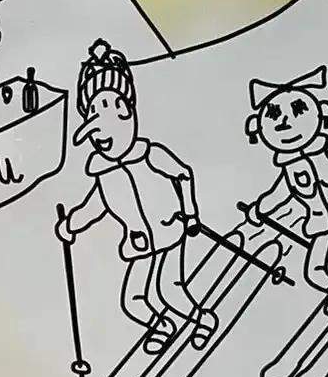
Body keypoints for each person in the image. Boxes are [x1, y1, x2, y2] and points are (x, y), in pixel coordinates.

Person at [55, 40, 217, 355]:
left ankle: (202, 319)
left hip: (170, 231)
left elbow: (183, 174)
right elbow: (94, 207)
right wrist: (70, 225)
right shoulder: (103, 173)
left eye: (117, 112)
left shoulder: (149, 154)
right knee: (133, 300)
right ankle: (163, 325)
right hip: (140, 242)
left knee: (170, 289)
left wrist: (190, 213)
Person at [242, 66, 328, 315]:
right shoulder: (290, 165)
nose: (285, 123)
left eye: (298, 111)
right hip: (320, 222)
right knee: (314, 270)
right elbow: (279, 195)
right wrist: (258, 210)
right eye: (274, 116)